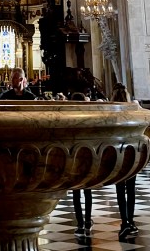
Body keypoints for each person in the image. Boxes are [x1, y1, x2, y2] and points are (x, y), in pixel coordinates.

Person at [111, 84, 138, 240]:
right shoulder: (133, 111)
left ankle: (124, 221)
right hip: (132, 152)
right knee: (131, 189)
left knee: (120, 189)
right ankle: (131, 220)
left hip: (118, 153)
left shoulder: (112, 113)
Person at [69, 93, 92, 237]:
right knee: (87, 191)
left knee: (76, 193)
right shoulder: (88, 118)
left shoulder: (69, 118)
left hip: (74, 158)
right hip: (87, 156)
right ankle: (87, 221)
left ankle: (80, 223)